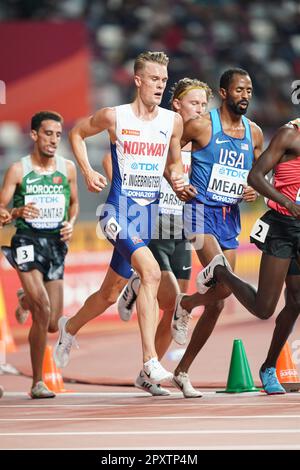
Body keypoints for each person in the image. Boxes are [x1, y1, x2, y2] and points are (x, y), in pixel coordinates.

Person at [53, 52, 196, 385]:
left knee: (108, 294)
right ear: (138, 80)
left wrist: (176, 177)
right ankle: (149, 360)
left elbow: (173, 162)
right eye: (154, 78)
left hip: (148, 214)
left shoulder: (172, 122)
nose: (160, 85)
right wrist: (87, 171)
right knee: (150, 272)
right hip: (117, 211)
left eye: (164, 79)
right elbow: (76, 133)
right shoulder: (114, 117)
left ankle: (68, 328)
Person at [103, 78, 213, 396]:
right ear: (176, 104)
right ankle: (139, 284)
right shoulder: (160, 126)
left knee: (173, 306)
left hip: (183, 224)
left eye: (204, 105)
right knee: (169, 294)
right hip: (153, 219)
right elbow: (112, 157)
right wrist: (120, 188)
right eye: (195, 103)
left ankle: (148, 375)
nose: (201, 110)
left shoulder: (205, 139)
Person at [171, 68, 264, 397]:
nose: (245, 95)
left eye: (249, 91)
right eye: (239, 90)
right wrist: (176, 179)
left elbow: (256, 172)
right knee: (224, 280)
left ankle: (182, 368)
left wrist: (253, 189)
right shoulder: (201, 125)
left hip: (229, 217)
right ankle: (187, 303)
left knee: (220, 301)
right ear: (224, 93)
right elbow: (172, 147)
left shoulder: (254, 132)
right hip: (197, 211)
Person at [196, 117, 300, 395]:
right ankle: (220, 272)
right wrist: (287, 202)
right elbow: (255, 176)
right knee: (264, 308)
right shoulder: (290, 134)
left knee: (296, 301)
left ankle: (268, 368)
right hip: (282, 226)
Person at [0, 111, 79, 398]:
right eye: (48, 133)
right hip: (26, 240)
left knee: (50, 321)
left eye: (58, 134)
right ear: (34, 135)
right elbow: (1, 210)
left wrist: (70, 224)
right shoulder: (18, 170)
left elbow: (74, 205)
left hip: (55, 244)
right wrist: (15, 212)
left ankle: (25, 298)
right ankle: (37, 382)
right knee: (43, 307)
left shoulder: (67, 168)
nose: (54, 140)